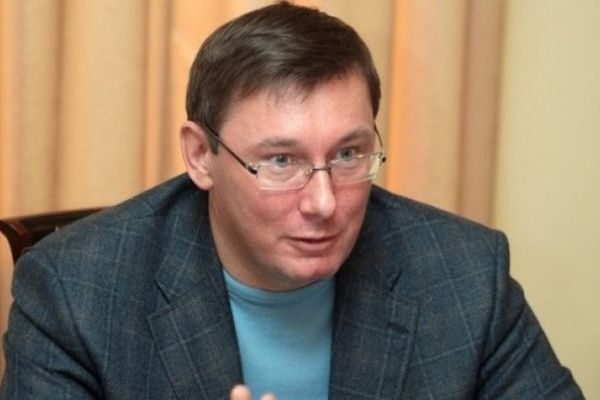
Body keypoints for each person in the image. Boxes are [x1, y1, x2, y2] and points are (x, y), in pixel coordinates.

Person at [0, 2, 583, 399]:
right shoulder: (76, 291)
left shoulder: (465, 276)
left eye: (349, 153)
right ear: (201, 155)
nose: (325, 202)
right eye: (282, 161)